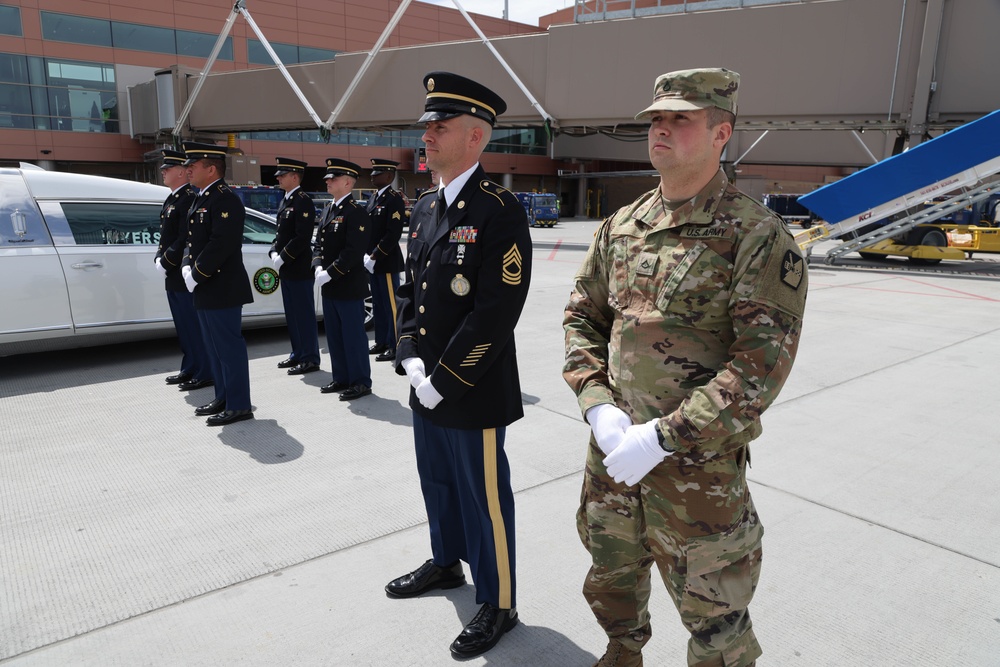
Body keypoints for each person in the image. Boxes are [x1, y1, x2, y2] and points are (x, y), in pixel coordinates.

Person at [562, 68, 808, 667]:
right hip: (615, 459)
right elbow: (582, 319)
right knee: (612, 585)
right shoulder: (622, 225)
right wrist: (597, 404)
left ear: (721, 133)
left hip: (698, 476)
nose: (661, 129)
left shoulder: (755, 234)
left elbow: (759, 369)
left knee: (717, 624)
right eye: (656, 118)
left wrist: (664, 437)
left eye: (681, 118)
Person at [387, 71, 532, 659]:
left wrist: (445, 380)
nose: (427, 137)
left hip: (470, 388)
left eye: (439, 128)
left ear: (475, 138)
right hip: (427, 384)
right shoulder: (424, 207)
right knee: (438, 482)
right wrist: (410, 359)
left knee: (485, 498)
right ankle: (447, 563)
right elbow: (407, 289)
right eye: (426, 127)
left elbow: (497, 311)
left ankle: (499, 604)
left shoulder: (499, 210)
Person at [180, 141, 255, 426]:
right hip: (205, 284)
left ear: (211, 169)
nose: (187, 170)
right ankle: (223, 396)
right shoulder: (201, 197)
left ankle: (239, 405)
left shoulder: (224, 198)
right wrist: (187, 265)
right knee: (213, 347)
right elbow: (191, 239)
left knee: (228, 347)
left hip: (221, 285)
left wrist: (196, 272)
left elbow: (220, 244)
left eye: (193, 166)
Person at [313, 158, 372, 400]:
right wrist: (317, 267)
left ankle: (360, 381)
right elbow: (319, 244)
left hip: (347, 285)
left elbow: (353, 251)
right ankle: (341, 377)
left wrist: (330, 272)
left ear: (347, 182)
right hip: (330, 286)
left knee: (353, 336)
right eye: (327, 178)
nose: (328, 181)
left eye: (333, 178)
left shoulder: (355, 212)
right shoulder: (329, 209)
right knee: (334, 335)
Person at [153, 148, 212, 391]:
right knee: (183, 325)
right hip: (172, 274)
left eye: (168, 169)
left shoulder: (188, 198)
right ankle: (190, 367)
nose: (163, 173)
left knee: (193, 324)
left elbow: (183, 238)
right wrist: (159, 256)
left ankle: (204, 371)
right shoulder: (172, 199)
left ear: (180, 172)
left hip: (182, 271)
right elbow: (164, 237)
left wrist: (166, 260)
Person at [270, 157, 321, 376]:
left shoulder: (302, 200)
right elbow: (280, 233)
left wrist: (284, 255)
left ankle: (310, 357)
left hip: (299, 267)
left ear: (294, 176)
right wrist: (273, 250)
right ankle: (297, 353)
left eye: (283, 175)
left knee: (304, 314)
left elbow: (302, 236)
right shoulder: (285, 200)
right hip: (287, 268)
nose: (279, 178)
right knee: (292, 313)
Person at [363, 158, 406, 363]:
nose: (372, 176)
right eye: (372, 172)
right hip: (372, 261)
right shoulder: (373, 198)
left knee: (391, 306)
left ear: (389, 176)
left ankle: (394, 344)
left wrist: (374, 255)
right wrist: (365, 254)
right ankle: (381, 341)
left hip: (386, 261)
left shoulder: (393, 199)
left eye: (377, 173)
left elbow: (392, 233)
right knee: (379, 304)